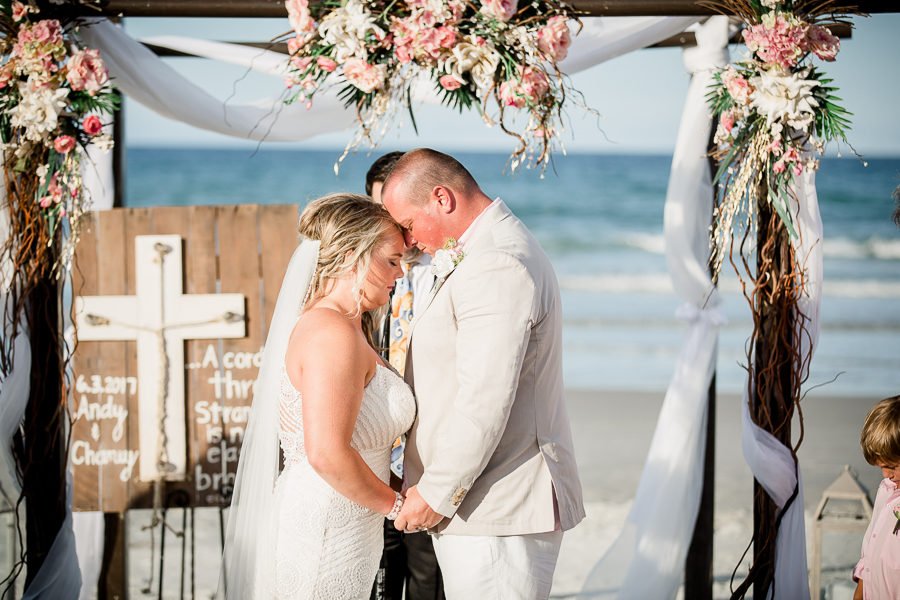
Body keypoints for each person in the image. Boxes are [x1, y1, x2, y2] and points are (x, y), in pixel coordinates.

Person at [380, 148, 586, 599]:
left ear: (442, 199)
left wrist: (434, 494)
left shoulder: (496, 262)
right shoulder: (482, 251)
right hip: (483, 507)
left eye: (409, 225)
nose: (409, 242)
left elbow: (484, 400)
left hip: (500, 509)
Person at [219, 193, 416, 600]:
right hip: (326, 528)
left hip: (350, 522)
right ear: (349, 257)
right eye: (392, 260)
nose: (400, 274)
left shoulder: (344, 327)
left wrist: (403, 489)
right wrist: (398, 508)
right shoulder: (331, 334)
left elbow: (364, 439)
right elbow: (326, 452)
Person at [366, 153, 444, 600]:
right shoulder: (367, 279)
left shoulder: (444, 270)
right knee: (377, 577)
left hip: (422, 461)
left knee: (426, 580)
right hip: (377, 454)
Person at [853, 395, 900, 600]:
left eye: (891, 466)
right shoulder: (885, 490)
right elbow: (869, 558)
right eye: (881, 467)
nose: (886, 475)